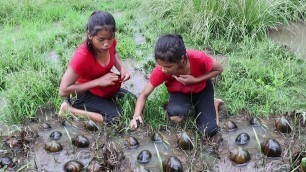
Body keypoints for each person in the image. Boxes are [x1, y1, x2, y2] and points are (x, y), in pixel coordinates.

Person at [130, 34, 223, 138]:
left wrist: (196, 80)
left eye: (168, 67)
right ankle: (192, 105)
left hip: (203, 90)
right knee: (175, 116)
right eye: (161, 65)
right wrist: (136, 115)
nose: (164, 70)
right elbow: (144, 94)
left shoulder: (199, 58)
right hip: (180, 93)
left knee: (209, 131)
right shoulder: (161, 70)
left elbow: (219, 69)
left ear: (182, 59)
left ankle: (214, 103)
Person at [59, 11, 131, 124]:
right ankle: (69, 110)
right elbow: (63, 91)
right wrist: (98, 82)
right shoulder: (82, 56)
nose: (107, 44)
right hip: (82, 94)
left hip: (102, 89)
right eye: (101, 40)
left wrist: (122, 69)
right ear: (89, 35)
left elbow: (114, 53)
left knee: (133, 101)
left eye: (110, 38)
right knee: (115, 117)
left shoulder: (110, 43)